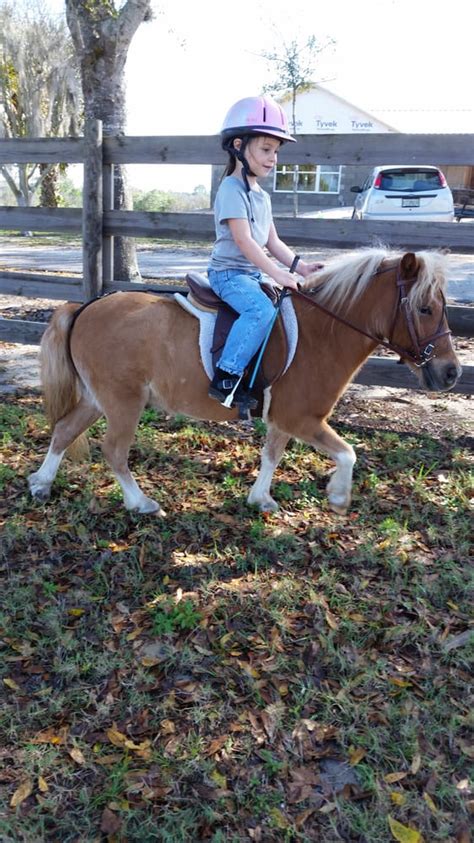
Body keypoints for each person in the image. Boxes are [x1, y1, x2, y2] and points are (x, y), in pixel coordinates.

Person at [207, 94, 323, 408]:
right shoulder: (231, 190)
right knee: (260, 311)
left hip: (252, 274)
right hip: (228, 274)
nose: (273, 158)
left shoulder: (262, 196)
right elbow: (244, 241)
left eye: (276, 152)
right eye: (265, 149)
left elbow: (273, 242)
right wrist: (277, 274)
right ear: (238, 146)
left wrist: (301, 268)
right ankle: (226, 377)